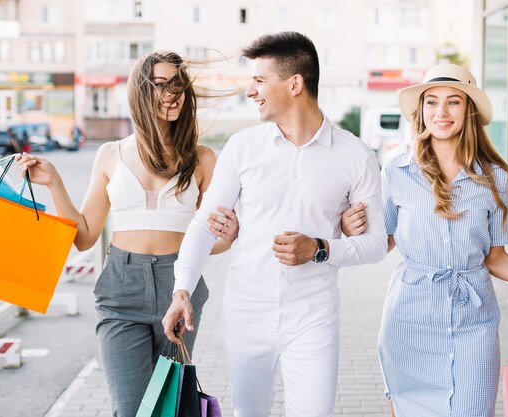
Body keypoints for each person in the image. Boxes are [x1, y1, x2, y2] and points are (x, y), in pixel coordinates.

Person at [162, 31, 387, 417]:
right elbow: (203, 225)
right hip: (246, 313)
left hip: (313, 317)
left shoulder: (356, 155)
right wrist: (182, 288)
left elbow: (377, 245)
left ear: (295, 83)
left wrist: (320, 248)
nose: (250, 91)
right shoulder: (242, 147)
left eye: (259, 80)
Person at [16, 51, 240, 417]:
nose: (173, 94)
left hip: (179, 287)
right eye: (162, 84)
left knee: (170, 408)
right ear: (140, 91)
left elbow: (213, 241)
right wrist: (54, 183)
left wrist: (229, 236)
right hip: (121, 288)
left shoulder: (202, 159)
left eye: (179, 85)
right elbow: (85, 236)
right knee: (131, 408)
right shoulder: (109, 155)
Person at [376, 63, 508, 417]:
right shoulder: (396, 171)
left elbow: (495, 256)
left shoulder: (493, 178)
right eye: (432, 102)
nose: (441, 112)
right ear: (421, 111)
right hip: (409, 319)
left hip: (474, 320)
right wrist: (341, 232)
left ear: (468, 111)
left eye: (453, 102)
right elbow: (381, 240)